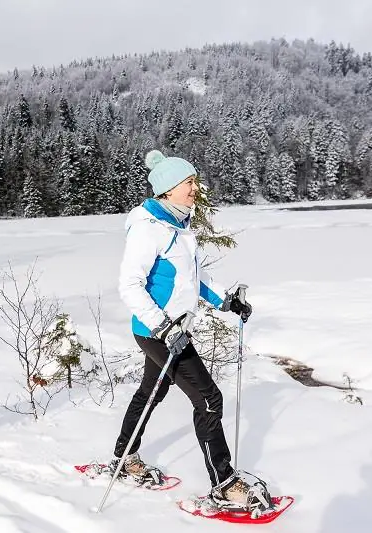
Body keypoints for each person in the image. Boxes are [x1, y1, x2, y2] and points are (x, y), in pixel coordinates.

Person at [112, 150, 257, 507]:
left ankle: (123, 456)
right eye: (189, 183)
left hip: (171, 332)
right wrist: (164, 327)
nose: (195, 188)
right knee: (209, 399)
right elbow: (129, 286)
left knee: (150, 393)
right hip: (158, 332)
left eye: (194, 181)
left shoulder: (179, 223)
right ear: (168, 189)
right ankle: (224, 484)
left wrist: (226, 300)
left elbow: (193, 277)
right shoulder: (148, 230)